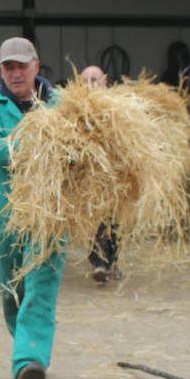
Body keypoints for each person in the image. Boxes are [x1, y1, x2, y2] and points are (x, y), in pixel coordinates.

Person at [0, 37, 65, 379]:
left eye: (21, 66)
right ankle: (29, 347)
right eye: (8, 67)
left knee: (41, 283)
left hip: (53, 211)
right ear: (1, 71)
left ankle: (27, 361)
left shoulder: (60, 104)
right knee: (12, 288)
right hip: (6, 210)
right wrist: (42, 146)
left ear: (36, 67)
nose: (15, 73)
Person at [80, 65, 121, 283]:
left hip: (114, 174)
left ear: (105, 80)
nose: (90, 85)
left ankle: (110, 261)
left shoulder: (118, 106)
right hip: (89, 175)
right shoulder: (76, 107)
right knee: (93, 220)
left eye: (94, 80)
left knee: (112, 220)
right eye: (85, 81)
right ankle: (99, 262)